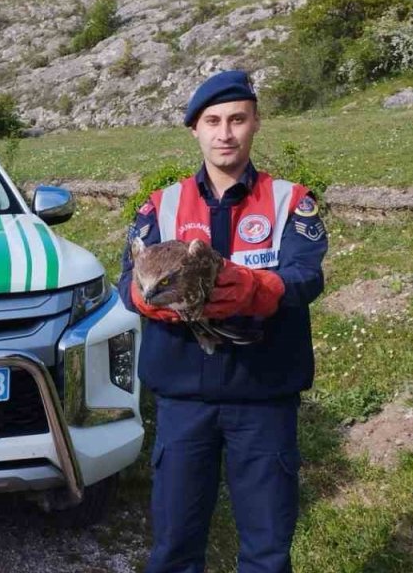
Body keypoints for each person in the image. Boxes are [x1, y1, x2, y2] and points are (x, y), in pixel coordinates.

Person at [118, 70, 328, 573]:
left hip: (263, 395)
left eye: (237, 119)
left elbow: (306, 276)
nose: (225, 132)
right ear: (195, 129)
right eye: (212, 121)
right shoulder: (161, 204)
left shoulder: (291, 201)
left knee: (267, 548)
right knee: (173, 546)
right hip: (183, 400)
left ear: (255, 123)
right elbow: (128, 276)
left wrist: (260, 288)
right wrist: (142, 298)